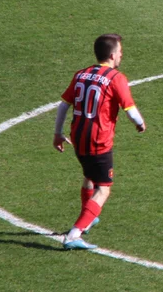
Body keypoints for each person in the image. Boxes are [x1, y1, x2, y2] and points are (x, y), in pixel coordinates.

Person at [53, 34, 147, 249]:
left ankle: (88, 219)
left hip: (78, 137)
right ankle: (74, 235)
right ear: (113, 55)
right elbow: (130, 110)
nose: (122, 54)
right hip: (99, 141)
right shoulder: (116, 78)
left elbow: (63, 105)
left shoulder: (81, 74)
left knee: (89, 176)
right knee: (103, 188)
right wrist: (140, 124)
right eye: (121, 51)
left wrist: (57, 133)